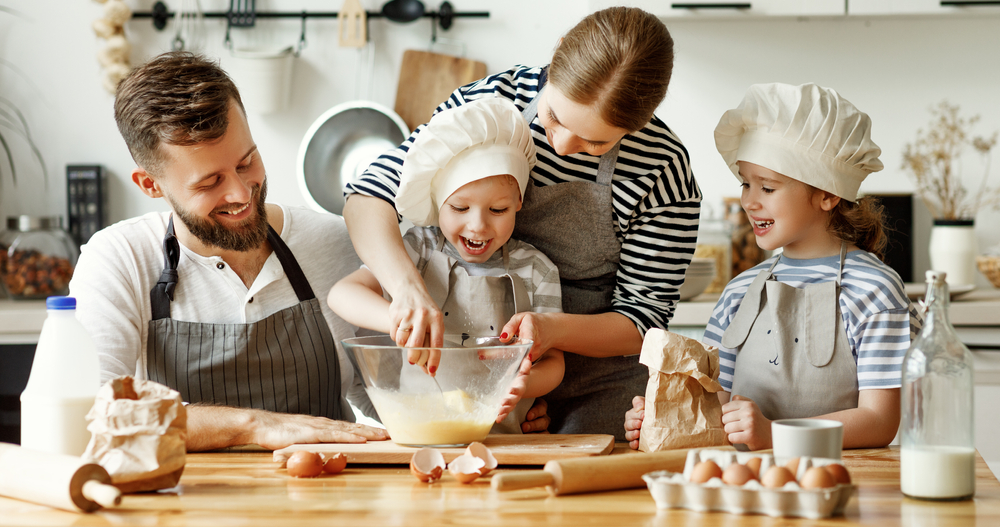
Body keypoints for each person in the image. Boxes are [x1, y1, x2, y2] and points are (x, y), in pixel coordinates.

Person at [342, 7, 699, 439]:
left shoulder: (662, 170)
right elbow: (368, 196)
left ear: (638, 125)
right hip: (477, 373)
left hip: (598, 381)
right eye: (554, 116)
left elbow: (642, 320)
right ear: (556, 60)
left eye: (597, 141)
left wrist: (547, 335)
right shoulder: (489, 106)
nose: (563, 146)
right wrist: (406, 290)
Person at [68, 51, 388, 452]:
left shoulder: (338, 242)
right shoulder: (119, 260)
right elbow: (93, 415)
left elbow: (387, 393)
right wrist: (252, 426)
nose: (240, 193)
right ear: (150, 184)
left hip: (329, 500)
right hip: (182, 507)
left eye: (247, 161)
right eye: (209, 182)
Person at [624, 83, 922, 450]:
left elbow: (879, 421)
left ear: (827, 193)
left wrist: (776, 435)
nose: (749, 201)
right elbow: (716, 408)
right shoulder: (739, 292)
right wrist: (662, 417)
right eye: (746, 183)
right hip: (747, 487)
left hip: (845, 484)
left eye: (767, 187)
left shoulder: (874, 289)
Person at [329, 98, 565, 433]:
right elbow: (342, 294)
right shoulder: (420, 249)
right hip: (420, 436)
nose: (478, 226)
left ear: (519, 203)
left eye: (498, 210)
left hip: (505, 442)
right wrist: (401, 320)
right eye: (459, 207)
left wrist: (524, 384)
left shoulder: (537, 270)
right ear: (438, 201)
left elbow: (555, 362)